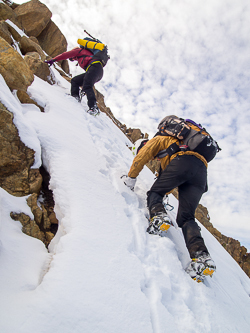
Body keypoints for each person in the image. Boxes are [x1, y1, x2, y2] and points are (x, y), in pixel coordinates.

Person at [122, 123, 216, 282]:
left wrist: (131, 179)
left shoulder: (159, 139)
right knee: (186, 218)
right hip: (201, 173)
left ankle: (159, 217)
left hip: (185, 162)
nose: (152, 158)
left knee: (154, 193)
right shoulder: (173, 150)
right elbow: (166, 180)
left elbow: (141, 157)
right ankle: (201, 258)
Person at [45, 46, 105, 115]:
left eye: (72, 58)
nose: (73, 59)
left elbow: (65, 55)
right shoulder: (82, 56)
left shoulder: (78, 51)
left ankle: (94, 108)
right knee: (75, 81)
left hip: (95, 68)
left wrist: (53, 60)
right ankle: (75, 97)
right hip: (96, 71)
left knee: (87, 85)